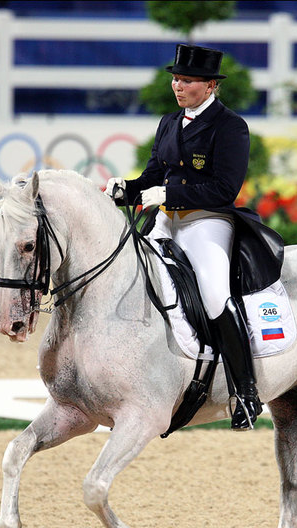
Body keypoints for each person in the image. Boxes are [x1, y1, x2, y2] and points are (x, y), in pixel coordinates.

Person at [104, 43, 284, 431]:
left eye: (186, 80)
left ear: (210, 86)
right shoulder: (169, 122)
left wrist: (169, 194)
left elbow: (224, 189)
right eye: (175, 79)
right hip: (166, 220)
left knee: (216, 295)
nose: (177, 86)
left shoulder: (230, 126)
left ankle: (246, 393)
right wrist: (125, 190)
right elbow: (152, 177)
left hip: (207, 221)